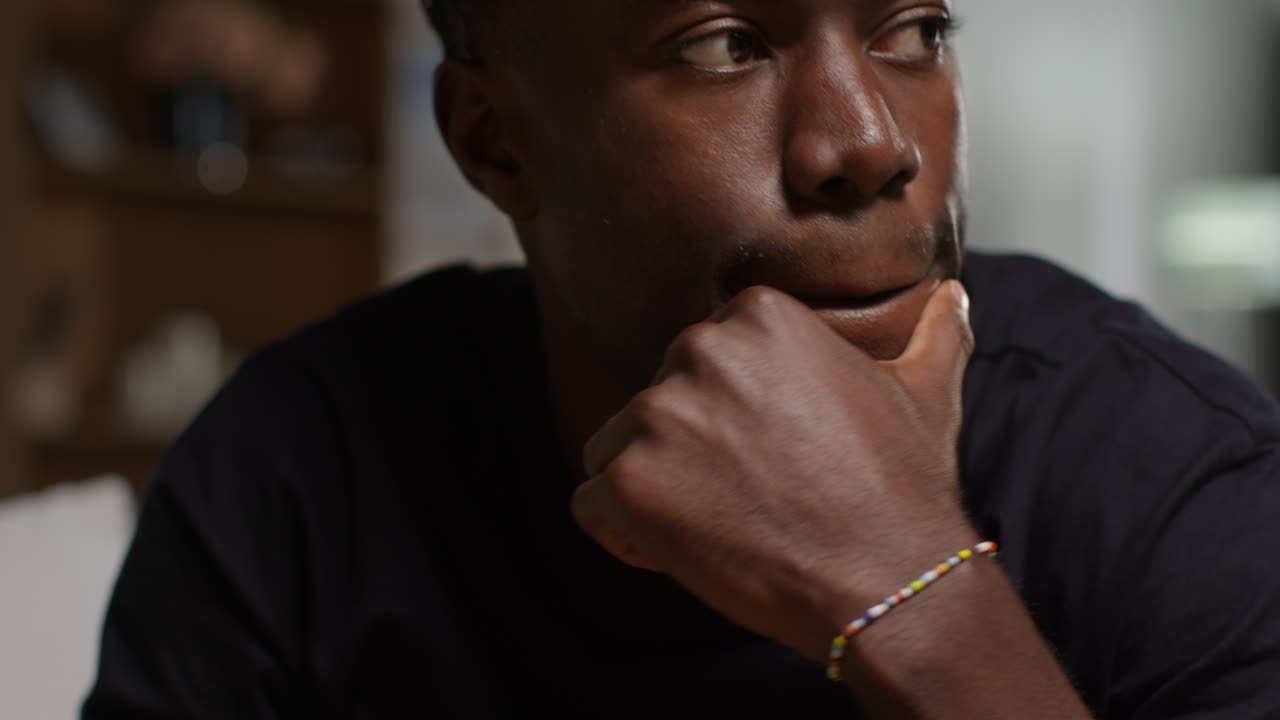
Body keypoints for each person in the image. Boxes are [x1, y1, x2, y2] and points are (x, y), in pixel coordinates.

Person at [83, 1, 1280, 718]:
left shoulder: (1166, 466)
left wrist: (914, 593)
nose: (866, 145)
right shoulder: (298, 473)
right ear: (494, 145)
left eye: (910, 31)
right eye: (722, 44)